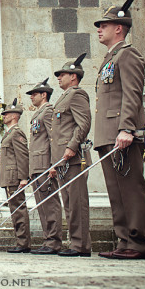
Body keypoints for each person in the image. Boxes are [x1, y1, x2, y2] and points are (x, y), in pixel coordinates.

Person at [94, 0, 145, 260]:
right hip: (109, 134)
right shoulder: (111, 58)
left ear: (119, 28)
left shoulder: (128, 55)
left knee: (131, 190)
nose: (99, 29)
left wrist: (127, 128)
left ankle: (140, 243)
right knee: (116, 192)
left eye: (103, 25)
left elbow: (132, 94)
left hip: (122, 133)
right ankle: (124, 241)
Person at [49, 53, 92, 257]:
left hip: (73, 157)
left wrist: (72, 146)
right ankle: (76, 243)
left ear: (73, 76)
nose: (59, 78)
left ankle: (81, 245)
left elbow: (83, 123)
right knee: (68, 203)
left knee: (77, 202)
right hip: (63, 160)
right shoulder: (63, 97)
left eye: (62, 74)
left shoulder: (77, 94)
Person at [26, 78, 63, 255]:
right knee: (42, 205)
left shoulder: (48, 111)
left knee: (50, 204)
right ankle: (48, 240)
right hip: (36, 165)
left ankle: (54, 241)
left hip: (45, 164)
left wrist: (54, 164)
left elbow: (53, 138)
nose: (31, 97)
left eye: (34, 94)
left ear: (44, 94)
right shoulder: (37, 113)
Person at [0, 99, 30, 253]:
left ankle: (23, 243)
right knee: (15, 209)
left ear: (14, 116)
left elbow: (23, 156)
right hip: (9, 177)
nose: (4, 116)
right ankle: (21, 241)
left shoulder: (17, 133)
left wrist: (24, 177)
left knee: (18, 209)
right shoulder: (9, 133)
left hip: (14, 177)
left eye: (7, 114)